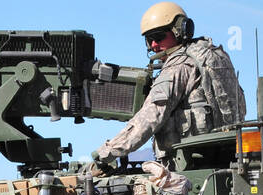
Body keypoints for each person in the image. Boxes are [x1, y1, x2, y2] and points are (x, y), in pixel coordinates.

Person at [94, 2, 246, 169]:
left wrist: (106, 153)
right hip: (226, 156)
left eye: (158, 37)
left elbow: (151, 115)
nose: (153, 45)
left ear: (179, 31)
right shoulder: (212, 55)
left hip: (190, 163)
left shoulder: (179, 65)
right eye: (149, 40)